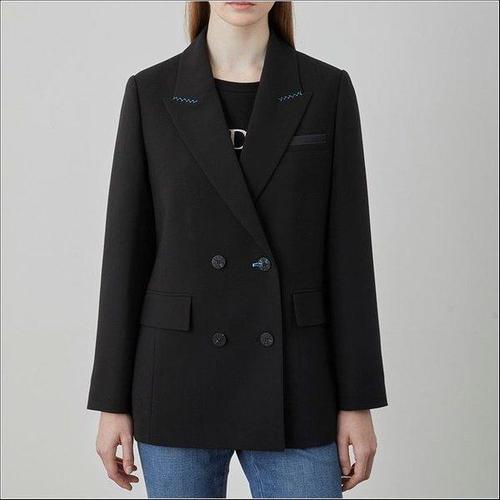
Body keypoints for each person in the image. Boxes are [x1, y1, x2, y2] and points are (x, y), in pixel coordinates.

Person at [87, 1, 387, 498]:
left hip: (296, 379)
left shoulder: (326, 88)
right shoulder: (151, 91)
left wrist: (358, 401)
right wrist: (111, 401)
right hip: (178, 378)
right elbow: (125, 254)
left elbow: (350, 256)